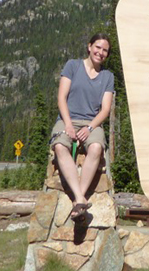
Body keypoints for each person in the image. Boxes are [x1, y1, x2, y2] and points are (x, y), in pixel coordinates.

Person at [49, 33, 115, 219]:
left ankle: (78, 200)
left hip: (91, 123)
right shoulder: (73, 66)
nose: (100, 53)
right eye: (98, 47)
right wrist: (68, 124)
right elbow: (61, 97)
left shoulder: (107, 76)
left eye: (105, 51)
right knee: (60, 146)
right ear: (89, 46)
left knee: (95, 148)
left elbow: (105, 109)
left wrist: (90, 128)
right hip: (67, 118)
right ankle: (81, 199)